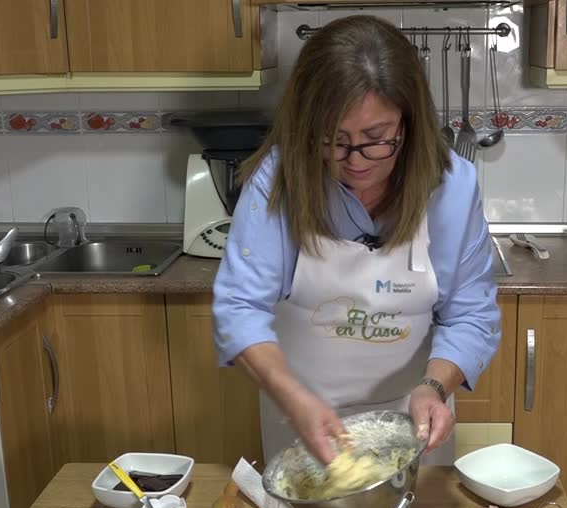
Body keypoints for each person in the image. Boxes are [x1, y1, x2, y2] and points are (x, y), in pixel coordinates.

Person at [211, 15, 500, 466]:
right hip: (303, 424)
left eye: (376, 138)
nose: (355, 160)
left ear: (408, 124)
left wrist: (434, 387)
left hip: (414, 425)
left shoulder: (451, 187)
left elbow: (471, 316)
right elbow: (238, 307)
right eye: (333, 139)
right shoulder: (279, 181)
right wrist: (293, 399)